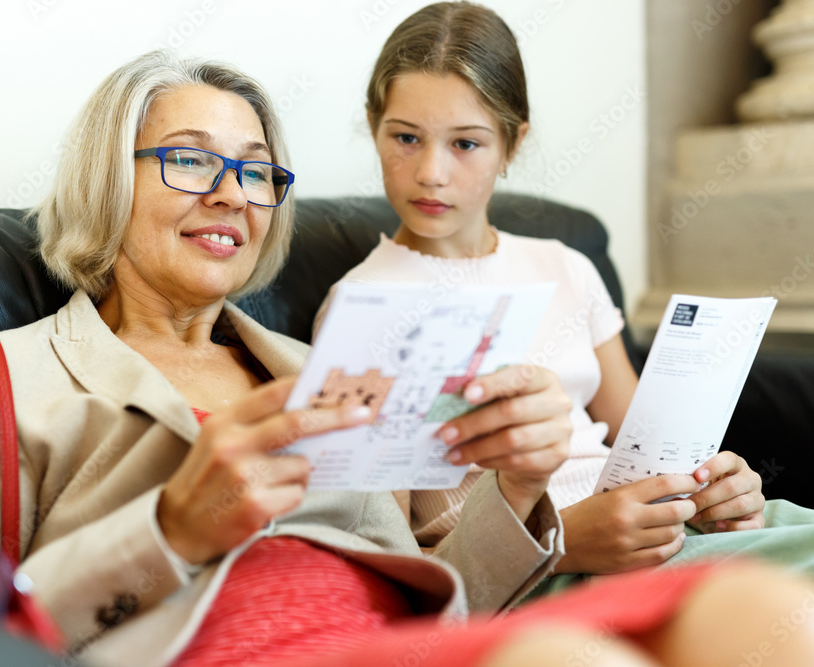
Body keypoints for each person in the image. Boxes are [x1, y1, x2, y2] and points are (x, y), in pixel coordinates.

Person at [0, 49, 814, 667]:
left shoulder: (314, 367)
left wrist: (519, 487)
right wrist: (171, 529)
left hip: (404, 645)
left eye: (254, 171)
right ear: (103, 179)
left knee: (744, 608)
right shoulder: (6, 370)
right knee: (558, 660)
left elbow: (448, 588)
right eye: (192, 160)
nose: (233, 194)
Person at [314, 0, 814, 598]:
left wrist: (714, 490)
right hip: (538, 569)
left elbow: (649, 449)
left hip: (650, 529)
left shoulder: (565, 265)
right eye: (406, 138)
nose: (431, 173)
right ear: (374, 127)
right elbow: (392, 560)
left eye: (465, 144)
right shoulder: (365, 306)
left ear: (512, 145)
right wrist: (563, 541)